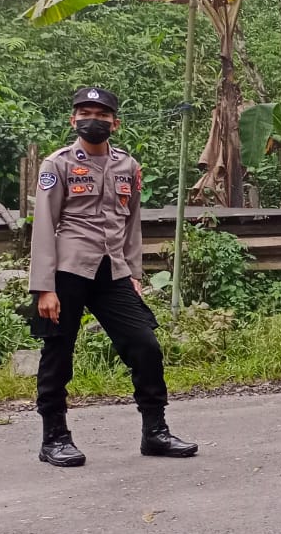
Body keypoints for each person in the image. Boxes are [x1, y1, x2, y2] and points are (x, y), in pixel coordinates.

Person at [29, 87, 197, 467]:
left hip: (114, 271)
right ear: (73, 120)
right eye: (86, 113)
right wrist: (44, 287)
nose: (94, 120)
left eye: (102, 115)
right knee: (58, 351)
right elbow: (44, 225)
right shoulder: (57, 165)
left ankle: (155, 432)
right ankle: (54, 437)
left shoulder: (128, 166)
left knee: (145, 345)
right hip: (68, 270)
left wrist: (134, 273)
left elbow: (132, 223)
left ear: (115, 123)